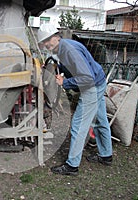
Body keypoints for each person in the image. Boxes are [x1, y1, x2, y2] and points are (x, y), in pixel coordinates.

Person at [37, 24, 113, 176]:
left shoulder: (69, 50)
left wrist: (64, 83)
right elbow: (74, 68)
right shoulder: (62, 48)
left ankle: (72, 166)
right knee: (100, 121)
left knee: (78, 125)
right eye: (43, 42)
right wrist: (56, 67)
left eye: (48, 40)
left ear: (56, 37)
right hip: (98, 82)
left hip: (92, 86)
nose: (46, 44)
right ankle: (106, 156)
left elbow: (86, 77)